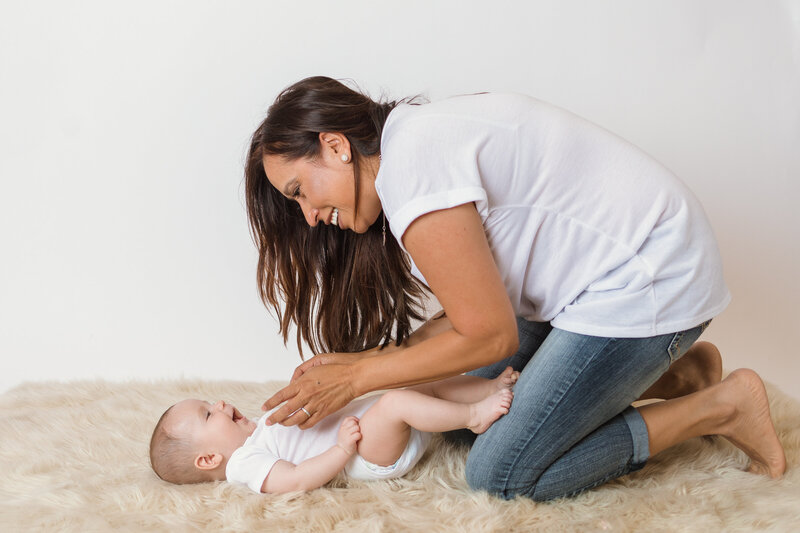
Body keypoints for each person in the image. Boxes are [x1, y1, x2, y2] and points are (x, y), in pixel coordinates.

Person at [243, 76, 786, 501]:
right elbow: (470, 309)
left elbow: (490, 336)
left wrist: (359, 375)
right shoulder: (412, 143)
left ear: (336, 146)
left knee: (502, 470)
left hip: (650, 280)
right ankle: (677, 376)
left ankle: (721, 406)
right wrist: (371, 365)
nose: (309, 217)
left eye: (299, 192)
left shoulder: (416, 174)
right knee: (463, 410)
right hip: (601, 282)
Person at [149, 368, 517, 493]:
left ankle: (489, 387)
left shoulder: (257, 433)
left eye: (211, 403)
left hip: (373, 431)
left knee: (420, 387)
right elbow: (294, 479)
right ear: (210, 458)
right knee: (396, 404)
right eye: (209, 415)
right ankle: (473, 416)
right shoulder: (244, 464)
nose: (221, 405)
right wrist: (341, 450)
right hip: (367, 455)